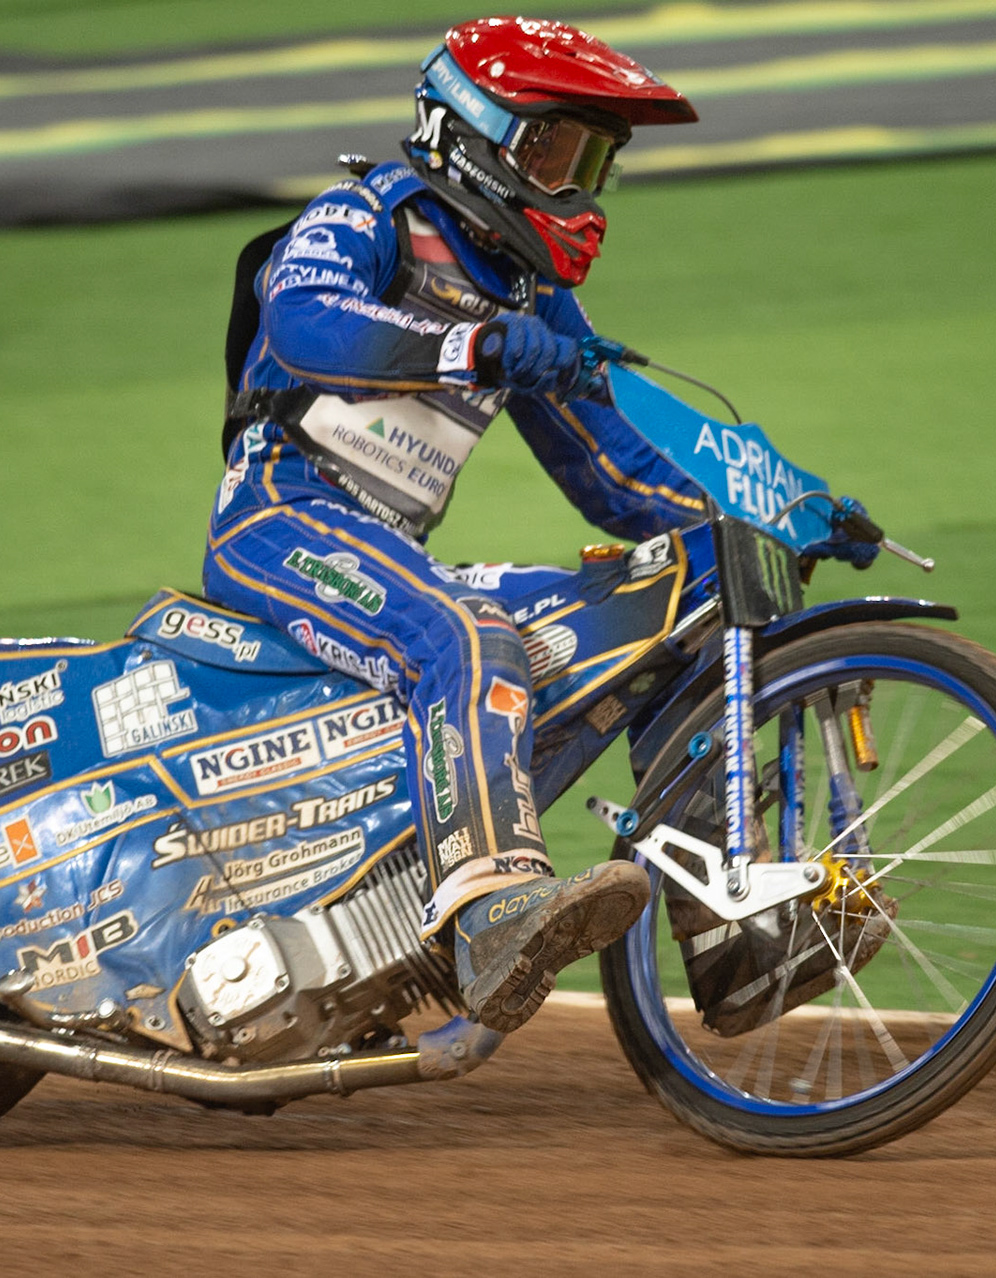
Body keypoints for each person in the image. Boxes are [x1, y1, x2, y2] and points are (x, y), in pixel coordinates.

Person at [206, 17, 876, 1034]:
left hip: (390, 553)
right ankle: (487, 912)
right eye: (554, 151)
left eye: (594, 161)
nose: (578, 187)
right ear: (472, 133)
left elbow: (616, 472)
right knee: (471, 636)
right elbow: (305, 324)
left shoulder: (531, 296)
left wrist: (775, 515)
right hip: (277, 520)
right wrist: (475, 347)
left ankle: (720, 932)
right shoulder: (363, 212)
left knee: (691, 578)